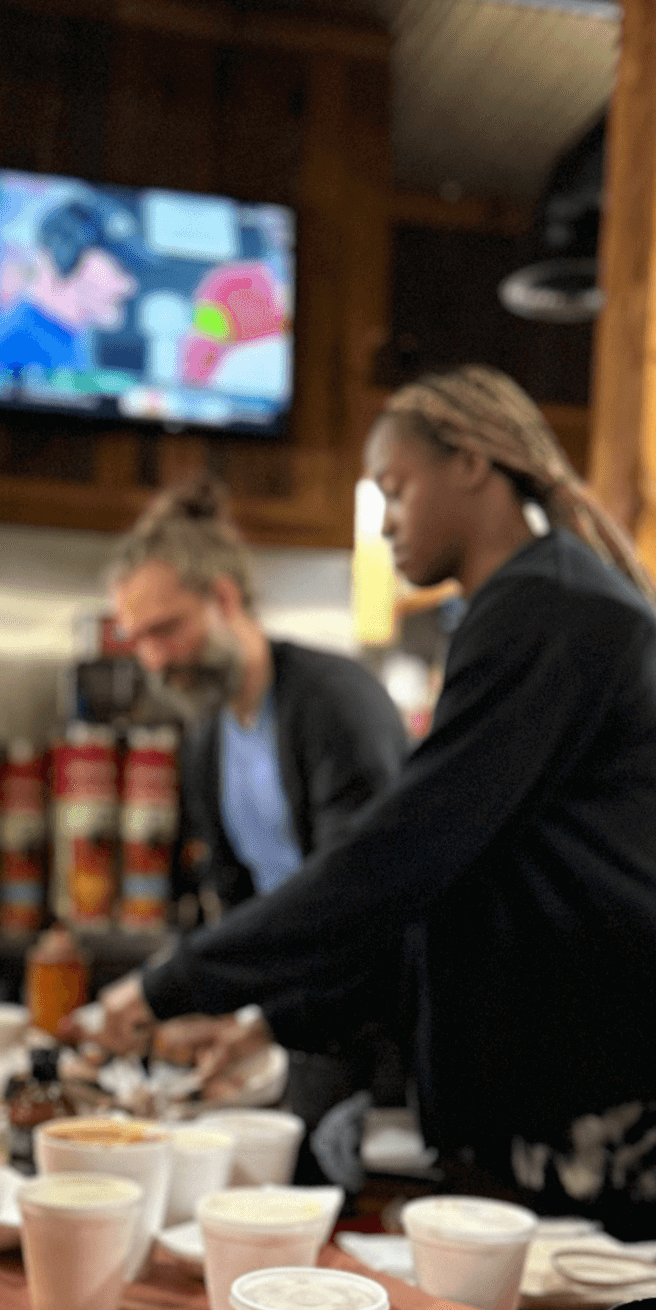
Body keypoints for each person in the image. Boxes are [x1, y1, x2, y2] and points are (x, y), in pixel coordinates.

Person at [93, 367, 656, 1278]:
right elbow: (447, 874)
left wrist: (171, 983)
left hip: (604, 1054)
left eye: (394, 489)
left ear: (471, 463)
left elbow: (394, 857)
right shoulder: (524, 606)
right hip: (568, 1051)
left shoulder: (547, 610)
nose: (384, 520)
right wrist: (270, 1018)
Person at [109, 478, 410, 1159]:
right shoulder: (208, 740)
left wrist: (171, 986)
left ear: (223, 597)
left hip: (391, 1035)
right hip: (311, 1030)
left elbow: (356, 902)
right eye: (138, 641)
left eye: (165, 629)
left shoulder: (334, 704)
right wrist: (254, 1021)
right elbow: (242, 902)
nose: (153, 659)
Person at [0, 197, 137, 373]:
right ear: (66, 256)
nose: (129, 286)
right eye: (119, 269)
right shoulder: (19, 344)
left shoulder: (57, 340)